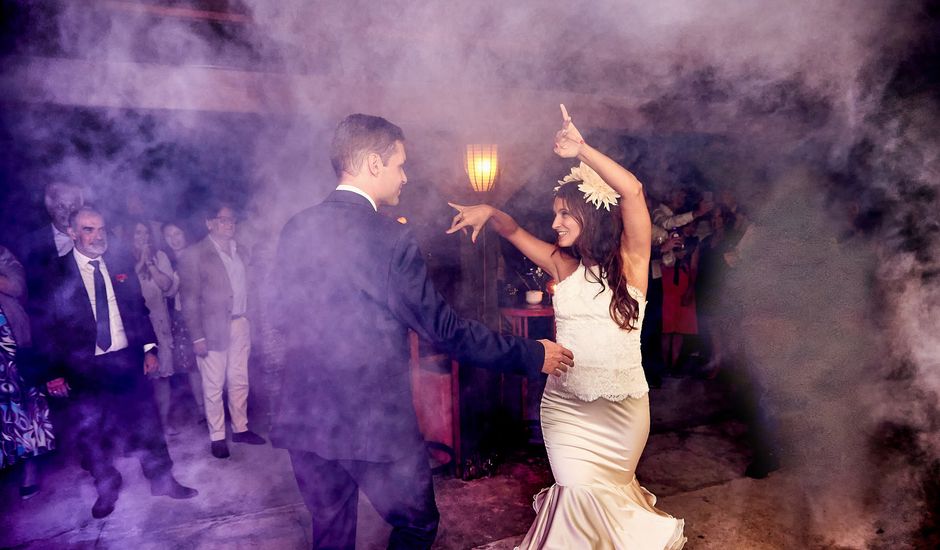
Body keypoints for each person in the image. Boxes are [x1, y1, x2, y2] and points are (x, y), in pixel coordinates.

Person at [270, 113, 575, 550]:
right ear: (374, 164)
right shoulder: (389, 239)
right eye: (399, 165)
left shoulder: (295, 228)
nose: (405, 176)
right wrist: (530, 354)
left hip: (305, 415)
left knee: (331, 534)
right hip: (373, 422)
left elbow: (279, 315)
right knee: (416, 524)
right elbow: (445, 331)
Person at [447, 105, 685, 549]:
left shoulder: (632, 265)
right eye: (554, 214)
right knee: (576, 498)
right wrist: (489, 211)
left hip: (623, 411)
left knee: (610, 510)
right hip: (567, 411)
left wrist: (581, 150)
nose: (554, 223)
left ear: (589, 215)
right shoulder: (561, 264)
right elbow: (514, 231)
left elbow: (632, 191)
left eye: (563, 214)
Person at [27, 206, 197, 519]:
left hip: (125, 361)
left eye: (101, 229)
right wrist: (52, 372)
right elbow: (44, 325)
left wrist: (149, 348)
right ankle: (106, 484)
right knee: (91, 432)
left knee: (148, 424)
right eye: (89, 230)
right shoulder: (54, 273)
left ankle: (162, 479)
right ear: (73, 233)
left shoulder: (118, 263)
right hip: (83, 367)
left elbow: (138, 308)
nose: (98, 236)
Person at [178, 202, 265, 459]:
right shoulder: (194, 254)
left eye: (232, 221)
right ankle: (217, 436)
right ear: (209, 223)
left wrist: (251, 319)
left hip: (240, 322)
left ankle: (241, 428)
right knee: (213, 384)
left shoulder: (242, 251)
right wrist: (197, 336)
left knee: (239, 379)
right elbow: (189, 298)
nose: (230, 225)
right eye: (224, 220)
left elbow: (249, 287)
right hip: (212, 328)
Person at [0, 245, 55, 499]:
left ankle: (29, 470)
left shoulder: (3, 255)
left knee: (24, 408)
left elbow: (18, 288)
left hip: (11, 345)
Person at [131, 221, 179, 434]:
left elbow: (167, 286)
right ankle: (144, 427)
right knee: (142, 381)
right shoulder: (120, 259)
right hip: (137, 326)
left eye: (146, 233)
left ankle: (165, 423)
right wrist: (140, 260)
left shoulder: (159, 256)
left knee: (163, 377)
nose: (143, 237)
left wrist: (149, 262)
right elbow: (123, 289)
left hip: (160, 323)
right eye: (138, 232)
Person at [161, 222, 204, 423]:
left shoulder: (198, 254)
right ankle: (203, 411)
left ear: (184, 234)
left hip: (203, 316)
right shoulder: (166, 261)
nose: (174, 238)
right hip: (180, 318)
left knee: (211, 363)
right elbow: (168, 292)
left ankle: (221, 407)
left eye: (177, 233)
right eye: (169, 236)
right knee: (192, 367)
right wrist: (177, 279)